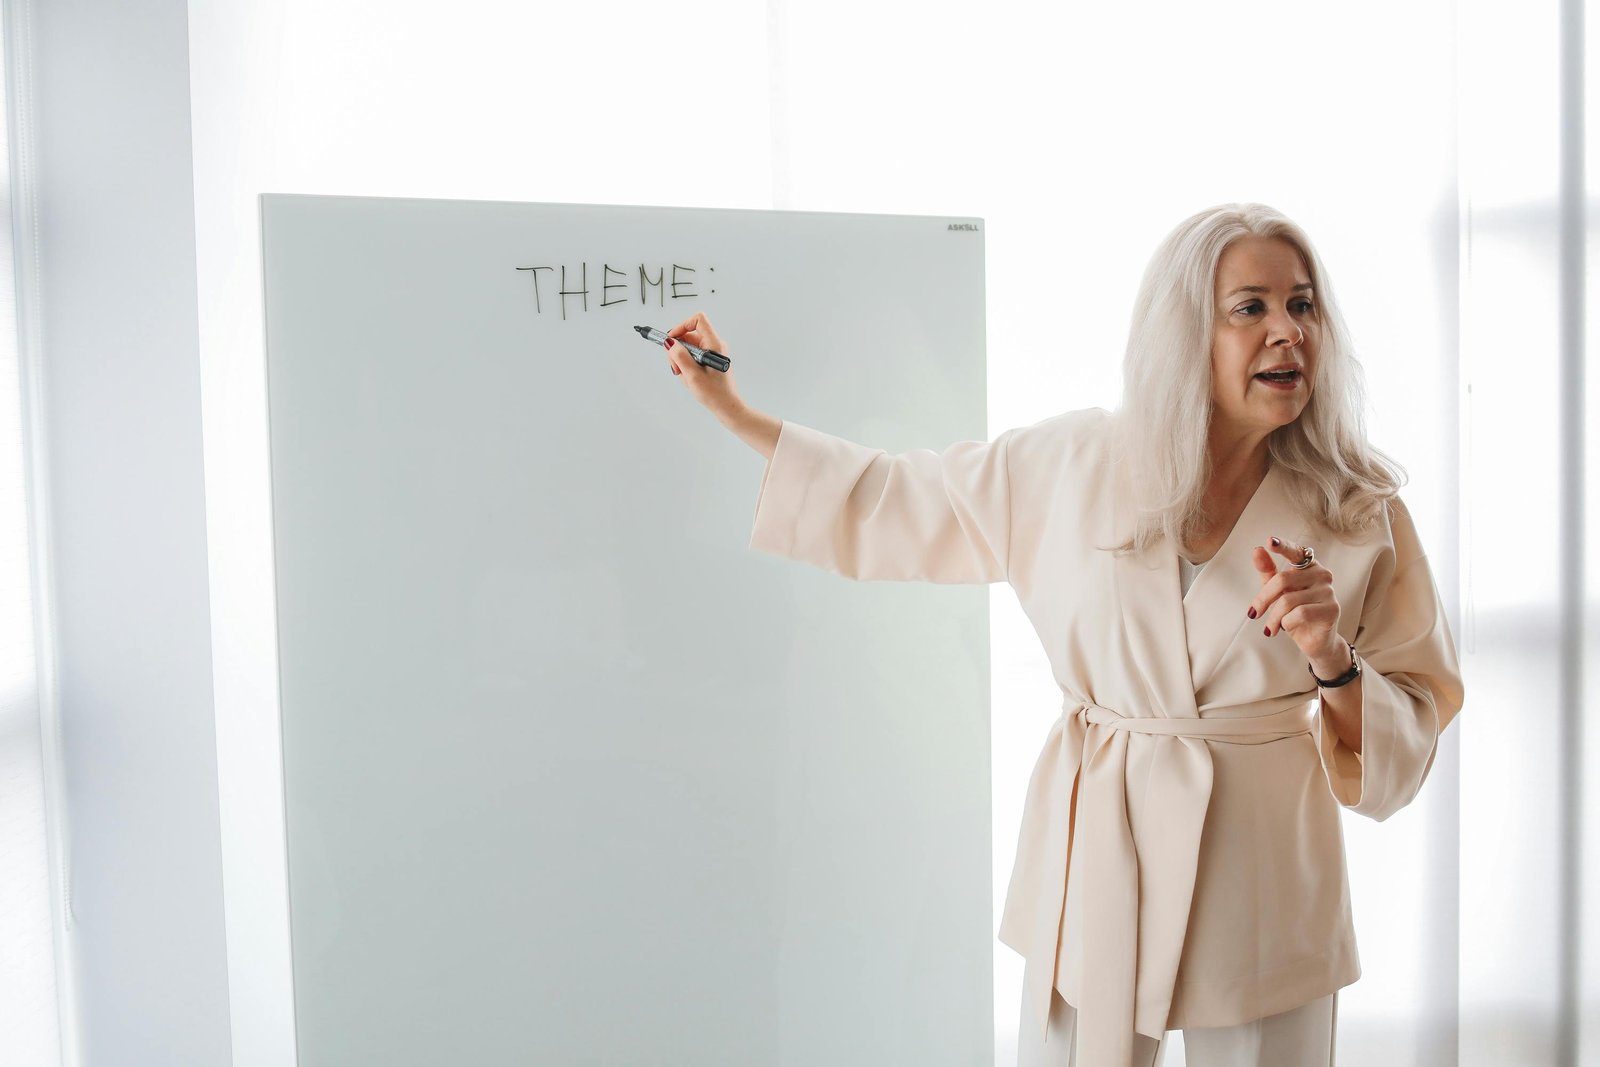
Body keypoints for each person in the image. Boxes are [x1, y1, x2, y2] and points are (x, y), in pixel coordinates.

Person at [658, 203, 1465, 1067]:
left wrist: (1330, 658)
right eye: (1251, 308)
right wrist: (737, 413)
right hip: (1100, 843)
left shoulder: (1357, 508)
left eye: (1303, 306)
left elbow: (1416, 711)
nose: (1288, 333)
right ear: (1184, 331)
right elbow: (901, 497)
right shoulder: (1073, 465)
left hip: (1265, 861)